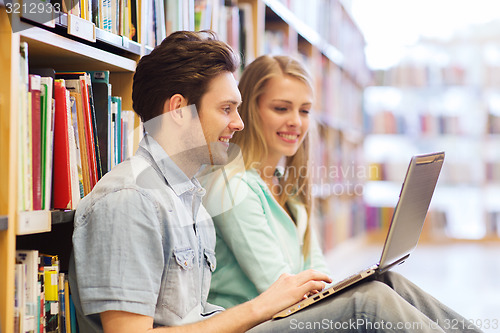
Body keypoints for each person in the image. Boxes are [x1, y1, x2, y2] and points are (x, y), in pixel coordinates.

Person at [68, 30, 332, 333]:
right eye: (226, 109)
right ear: (179, 109)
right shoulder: (130, 201)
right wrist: (261, 306)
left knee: (374, 293)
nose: (239, 123)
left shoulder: (191, 202)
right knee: (370, 303)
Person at [205, 54, 481, 332]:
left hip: (288, 316)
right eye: (281, 108)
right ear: (250, 110)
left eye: (304, 111)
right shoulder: (233, 186)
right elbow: (279, 286)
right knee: (371, 299)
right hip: (254, 324)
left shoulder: (287, 188)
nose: (295, 122)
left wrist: (341, 288)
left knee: (388, 282)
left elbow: (317, 272)